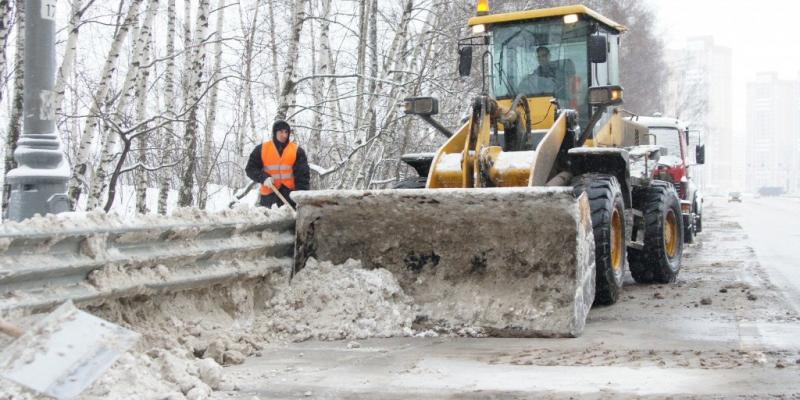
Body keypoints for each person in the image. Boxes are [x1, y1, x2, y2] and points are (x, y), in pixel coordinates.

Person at [245, 120, 310, 208]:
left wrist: (301, 198)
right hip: (269, 197)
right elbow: (250, 169)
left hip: (290, 197)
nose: (284, 135)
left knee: (291, 221)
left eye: (286, 132)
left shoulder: (297, 151)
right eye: (281, 132)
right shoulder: (262, 149)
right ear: (274, 133)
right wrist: (263, 178)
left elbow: (303, 177)